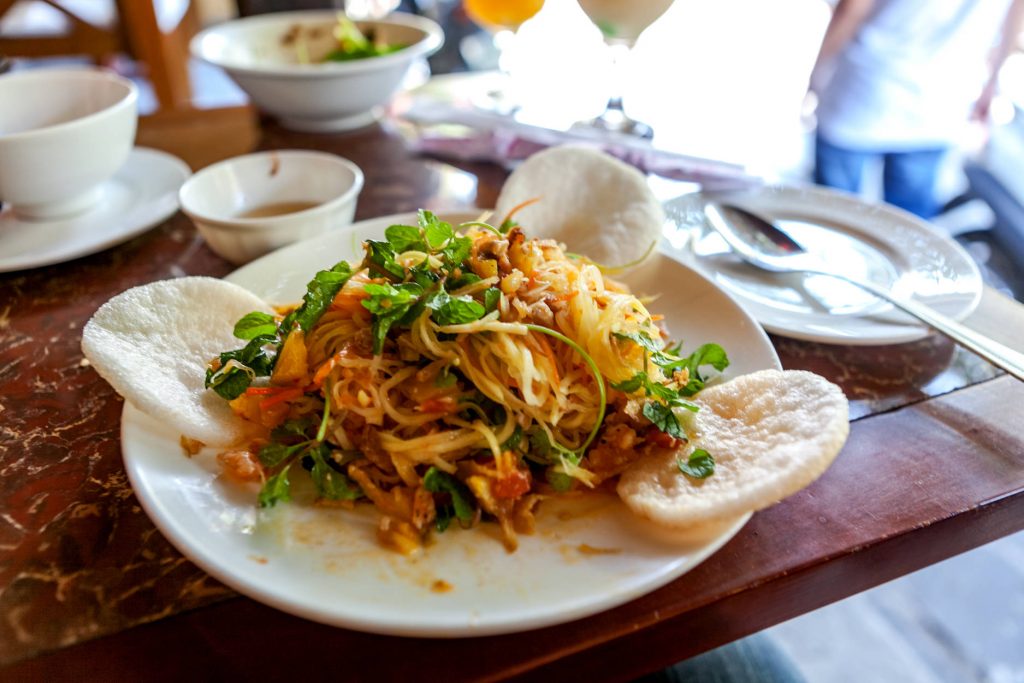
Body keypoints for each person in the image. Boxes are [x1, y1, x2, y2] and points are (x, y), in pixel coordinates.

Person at [808, 0, 1024, 219]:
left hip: (864, 87)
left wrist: (816, 73)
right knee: (907, 229)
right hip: (942, 101)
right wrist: (992, 82)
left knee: (834, 218)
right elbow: (1016, 11)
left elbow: (852, 9)